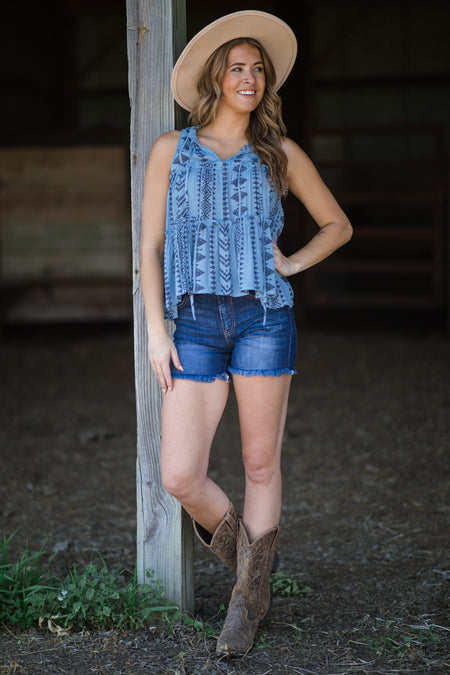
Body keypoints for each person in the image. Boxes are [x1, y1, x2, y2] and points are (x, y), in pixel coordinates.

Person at [140, 10, 352, 657]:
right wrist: (156, 329)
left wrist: (289, 261)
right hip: (196, 321)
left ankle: (243, 608)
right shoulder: (171, 151)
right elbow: (148, 246)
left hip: (265, 316)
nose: (251, 77)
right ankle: (253, 575)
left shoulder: (279, 154)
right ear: (216, 77)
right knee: (180, 473)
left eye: (258, 69)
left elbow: (336, 225)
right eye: (238, 66)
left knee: (261, 463)